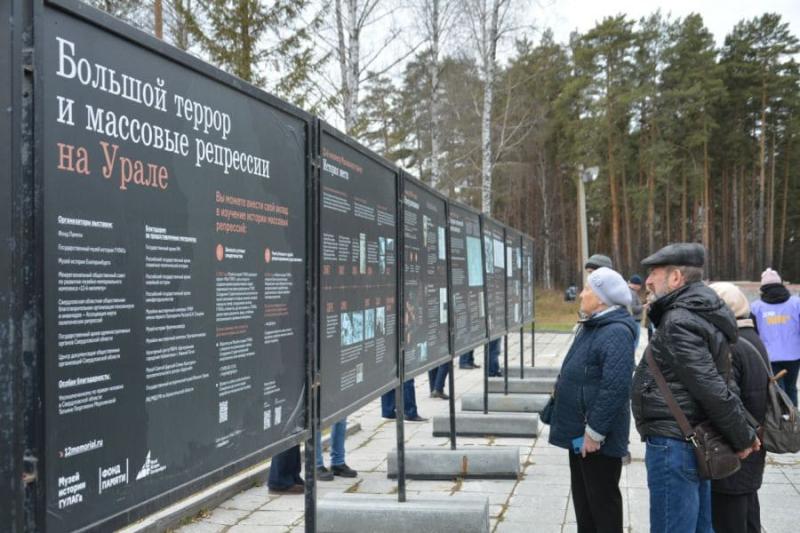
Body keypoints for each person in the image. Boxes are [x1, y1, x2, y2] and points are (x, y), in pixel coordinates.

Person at [631, 243, 760, 533]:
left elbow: (712, 387)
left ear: (676, 277)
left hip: (675, 445)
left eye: (654, 273)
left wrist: (741, 437)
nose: (648, 281)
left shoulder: (679, 321)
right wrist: (741, 432)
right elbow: (721, 380)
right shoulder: (693, 314)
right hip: (688, 440)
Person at [548, 267, 636, 533]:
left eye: (587, 289)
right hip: (581, 434)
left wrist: (594, 433)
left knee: (602, 505)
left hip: (597, 439)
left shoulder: (616, 332)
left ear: (601, 298)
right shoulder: (594, 325)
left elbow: (616, 387)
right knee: (585, 503)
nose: (582, 294)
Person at [709, 282, 771, 533]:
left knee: (730, 514)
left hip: (737, 443)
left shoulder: (730, 346)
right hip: (754, 437)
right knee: (748, 508)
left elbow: (727, 400)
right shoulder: (752, 336)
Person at [750, 268, 800, 406]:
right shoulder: (796, 304)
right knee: (791, 388)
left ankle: (783, 421)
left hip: (770, 357)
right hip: (794, 355)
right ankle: (794, 419)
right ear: (781, 284)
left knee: (778, 390)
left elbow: (753, 333)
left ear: (762, 288)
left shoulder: (755, 308)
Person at [628, 274, 643, 348]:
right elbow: (633, 309)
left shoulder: (631, 292)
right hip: (635, 320)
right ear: (636, 285)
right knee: (634, 342)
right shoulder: (632, 293)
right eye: (640, 285)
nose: (640, 287)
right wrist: (643, 306)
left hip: (633, 320)